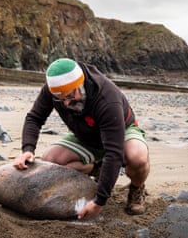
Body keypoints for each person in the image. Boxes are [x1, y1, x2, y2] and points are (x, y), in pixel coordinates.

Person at [13, 58, 150, 219]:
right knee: (51, 159)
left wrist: (100, 201)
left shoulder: (106, 98)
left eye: (71, 95)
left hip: (121, 132)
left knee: (137, 157)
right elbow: (34, 118)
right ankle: (96, 169)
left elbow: (114, 152)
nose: (66, 103)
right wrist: (27, 150)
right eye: (60, 99)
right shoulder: (55, 90)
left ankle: (137, 189)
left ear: (82, 83)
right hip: (86, 136)